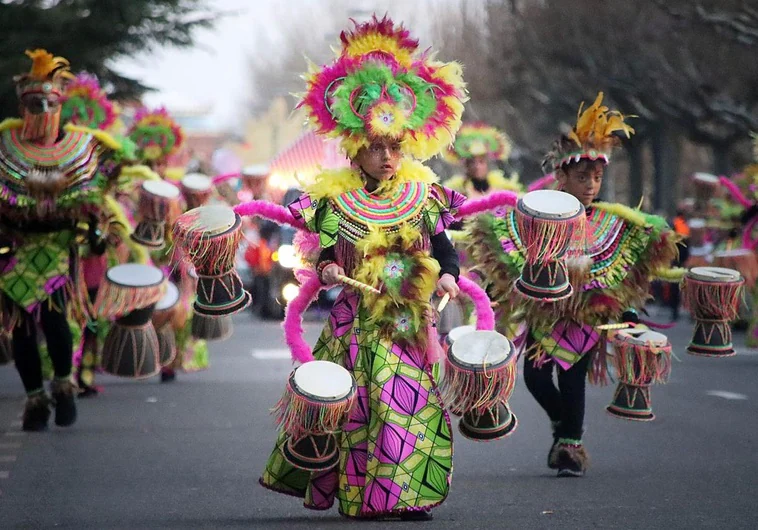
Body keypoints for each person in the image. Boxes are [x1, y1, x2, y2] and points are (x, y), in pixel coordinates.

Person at [258, 15, 467, 519]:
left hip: (407, 319)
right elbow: (326, 252)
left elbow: (443, 247)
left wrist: (448, 275)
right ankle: (363, 495)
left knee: (411, 404)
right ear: (357, 148)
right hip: (355, 322)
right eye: (377, 147)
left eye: (396, 147)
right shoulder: (335, 200)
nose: (388, 156)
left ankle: (407, 495)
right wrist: (328, 268)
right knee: (355, 410)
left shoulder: (423, 196)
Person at [465, 93, 680, 477]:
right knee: (533, 377)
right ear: (561, 177)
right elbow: (510, 254)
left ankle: (570, 448)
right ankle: (565, 427)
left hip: (585, 316)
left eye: (597, 178)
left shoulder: (608, 222)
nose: (591, 185)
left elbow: (624, 273)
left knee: (572, 378)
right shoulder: (535, 216)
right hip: (545, 313)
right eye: (582, 177)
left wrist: (626, 311)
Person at [0, 50, 130, 430]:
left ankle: (63, 386)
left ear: (60, 105)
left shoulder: (80, 148)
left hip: (59, 250)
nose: (40, 109)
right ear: (22, 106)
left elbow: (96, 198)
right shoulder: (6, 147)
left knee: (56, 321)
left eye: (48, 102)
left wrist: (95, 229)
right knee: (21, 325)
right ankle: (34, 398)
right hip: (17, 251)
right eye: (32, 103)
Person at [444, 122, 522, 198]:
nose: (477, 166)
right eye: (472, 162)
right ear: (466, 166)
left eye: (481, 162)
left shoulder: (503, 190)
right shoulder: (456, 193)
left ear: (487, 164)